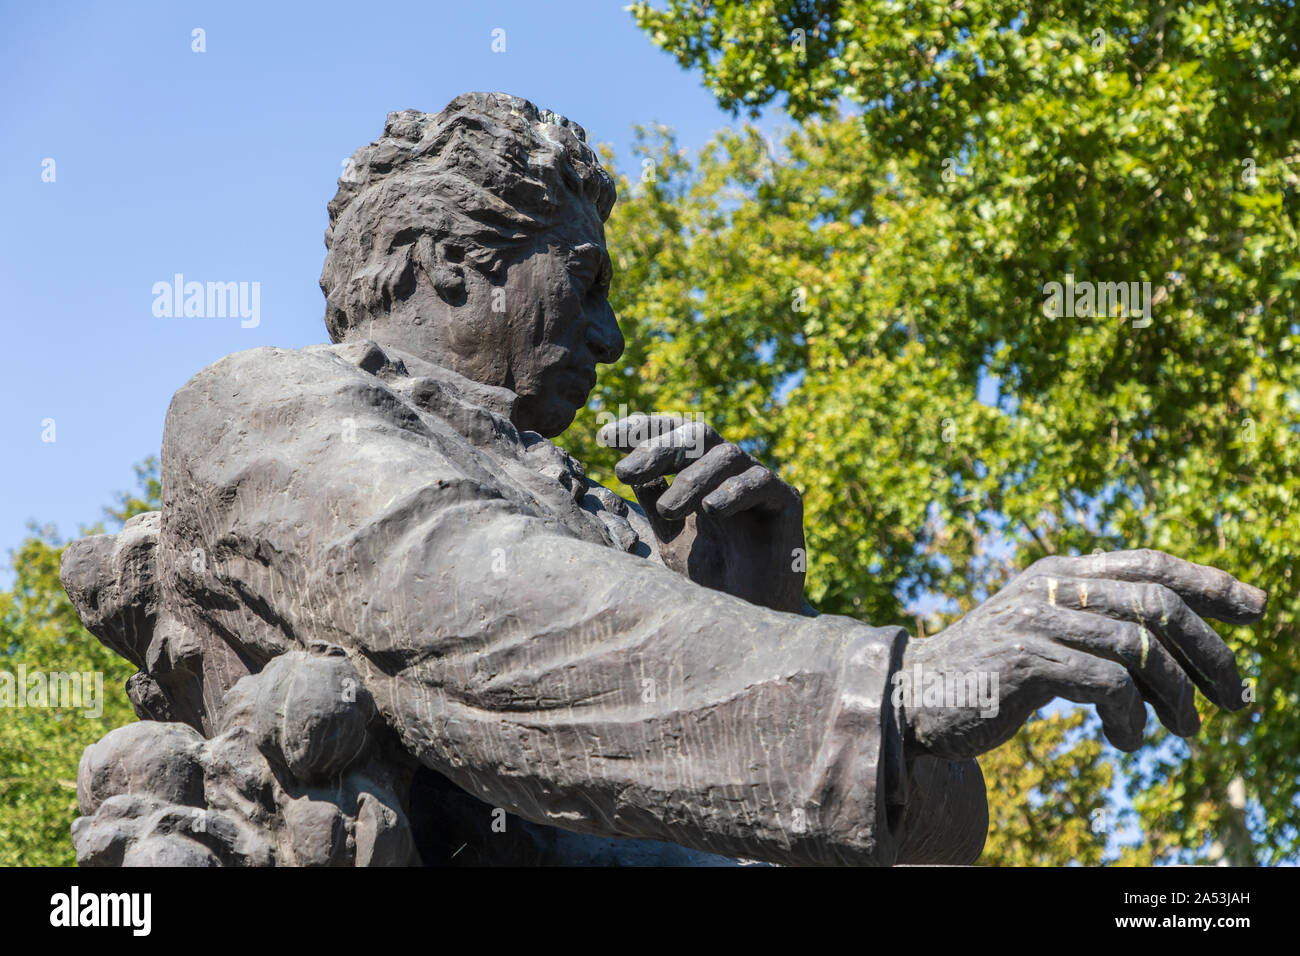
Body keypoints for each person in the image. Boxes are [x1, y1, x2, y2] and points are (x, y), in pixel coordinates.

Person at [64, 92, 1265, 866]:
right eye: (581, 283)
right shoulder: (266, 403)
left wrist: (765, 612)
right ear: (446, 264)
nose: (612, 338)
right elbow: (453, 610)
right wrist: (890, 681)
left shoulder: (613, 525)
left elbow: (929, 840)